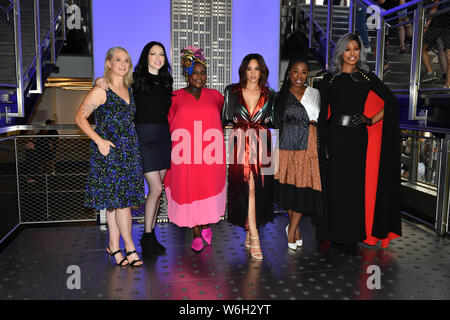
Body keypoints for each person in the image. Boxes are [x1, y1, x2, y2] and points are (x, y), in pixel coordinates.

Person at [316, 33, 402, 254]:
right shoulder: (330, 79)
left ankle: (352, 236)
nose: (352, 53)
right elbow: (321, 116)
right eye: (348, 49)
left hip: (357, 140)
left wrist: (372, 119)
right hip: (334, 138)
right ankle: (335, 235)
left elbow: (391, 102)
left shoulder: (367, 77)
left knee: (355, 190)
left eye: (356, 49)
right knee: (335, 188)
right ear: (341, 53)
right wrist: (323, 144)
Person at [95, 41, 173, 259]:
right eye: (153, 53)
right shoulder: (135, 78)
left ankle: (149, 234)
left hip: (162, 137)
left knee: (157, 191)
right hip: (142, 138)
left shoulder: (167, 81)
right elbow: (114, 84)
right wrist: (99, 81)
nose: (157, 58)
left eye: (161, 54)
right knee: (156, 188)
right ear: (145, 56)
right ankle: (145, 236)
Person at [75, 46, 145, 267]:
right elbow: (79, 118)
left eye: (126, 60)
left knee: (115, 203)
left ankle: (113, 246)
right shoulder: (101, 90)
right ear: (108, 64)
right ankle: (130, 248)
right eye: (118, 60)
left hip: (128, 152)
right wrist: (99, 141)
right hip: (109, 152)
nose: (123, 64)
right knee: (122, 203)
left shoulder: (129, 90)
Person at [164, 46, 226, 253]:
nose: (199, 76)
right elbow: (167, 124)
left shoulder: (216, 96)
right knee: (189, 191)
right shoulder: (174, 98)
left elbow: (226, 118)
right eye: (195, 72)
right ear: (187, 74)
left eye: (203, 73)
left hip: (210, 155)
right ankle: (196, 231)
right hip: (184, 156)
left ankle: (206, 224)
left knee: (207, 190)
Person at [222, 54, 276, 260]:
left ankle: (250, 229)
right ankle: (254, 236)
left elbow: (275, 120)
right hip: (240, 143)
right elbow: (225, 119)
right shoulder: (232, 91)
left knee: (258, 190)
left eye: (257, 69)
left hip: (263, 143)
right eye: (249, 69)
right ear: (243, 70)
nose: (253, 73)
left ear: (262, 71)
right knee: (246, 188)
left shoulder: (270, 94)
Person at [273, 56, 322, 251]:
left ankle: (292, 228)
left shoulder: (315, 93)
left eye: (303, 72)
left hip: (309, 144)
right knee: (289, 189)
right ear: (289, 73)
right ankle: (294, 227)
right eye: (295, 71)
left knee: (304, 187)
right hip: (287, 145)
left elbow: (320, 120)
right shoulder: (281, 96)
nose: (299, 76)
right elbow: (276, 122)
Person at [421, 0, 450, 87]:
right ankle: (447, 83)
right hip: (444, 25)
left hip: (437, 25)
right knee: (448, 54)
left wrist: (426, 25)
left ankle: (430, 72)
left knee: (421, 47)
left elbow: (434, 8)